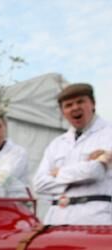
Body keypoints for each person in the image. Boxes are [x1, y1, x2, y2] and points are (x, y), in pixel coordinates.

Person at [34, 83, 112, 225]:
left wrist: (59, 173)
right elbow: (39, 184)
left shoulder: (109, 134)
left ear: (93, 104)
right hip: (56, 219)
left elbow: (95, 171)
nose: (75, 108)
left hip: (97, 218)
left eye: (80, 101)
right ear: (63, 112)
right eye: (68, 105)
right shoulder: (56, 144)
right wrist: (83, 171)